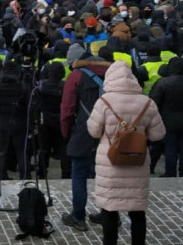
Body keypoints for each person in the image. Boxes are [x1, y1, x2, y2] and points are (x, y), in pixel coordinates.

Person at [87, 62, 166, 245]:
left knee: (109, 209)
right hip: (137, 161)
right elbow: (158, 134)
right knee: (138, 211)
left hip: (110, 162)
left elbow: (93, 131)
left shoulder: (104, 102)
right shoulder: (147, 102)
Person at [60, 54, 110, 231]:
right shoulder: (112, 72)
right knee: (106, 175)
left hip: (84, 131)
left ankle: (78, 216)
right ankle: (109, 215)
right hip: (110, 131)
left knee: (79, 174)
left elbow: (67, 108)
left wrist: (66, 132)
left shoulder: (76, 76)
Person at [149, 57, 183, 177]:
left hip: (168, 121)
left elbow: (154, 102)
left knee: (170, 147)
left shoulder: (163, 83)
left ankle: (170, 172)